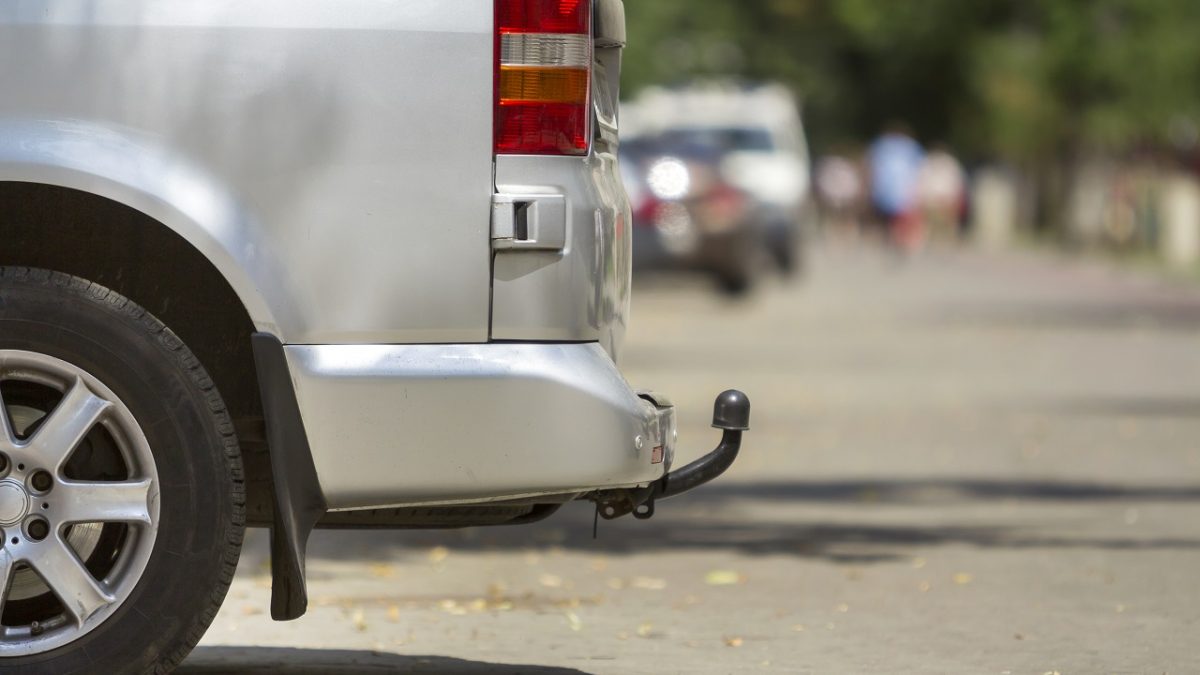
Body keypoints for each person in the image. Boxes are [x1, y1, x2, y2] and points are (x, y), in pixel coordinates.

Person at [867, 123, 924, 251]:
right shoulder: (911, 146)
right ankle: (901, 242)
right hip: (902, 190)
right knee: (900, 218)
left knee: (891, 219)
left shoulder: (881, 145)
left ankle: (894, 241)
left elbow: (871, 167)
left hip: (887, 190)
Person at [916, 144, 967, 241]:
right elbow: (922, 183)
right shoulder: (927, 163)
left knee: (949, 221)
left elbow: (956, 183)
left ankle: (949, 239)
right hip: (931, 200)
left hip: (947, 200)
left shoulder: (949, 163)